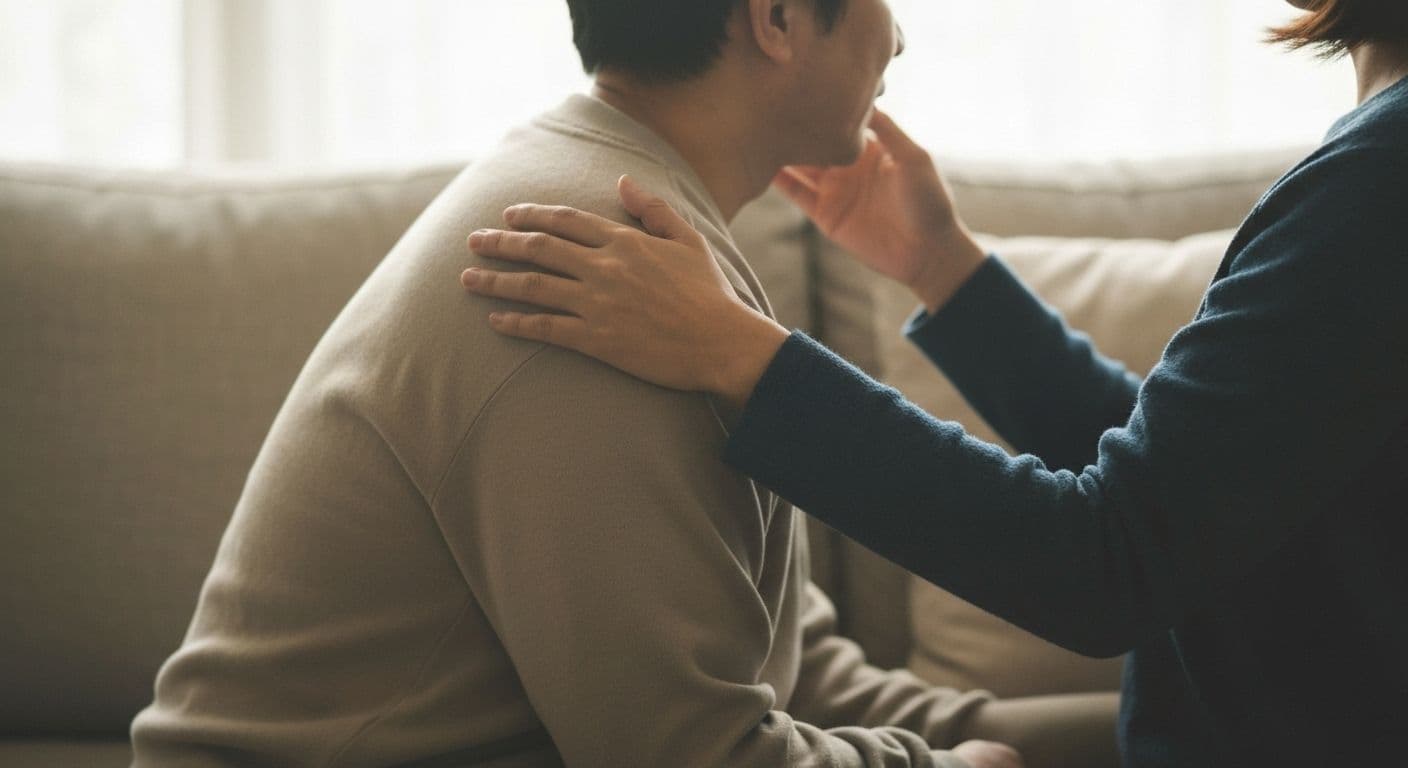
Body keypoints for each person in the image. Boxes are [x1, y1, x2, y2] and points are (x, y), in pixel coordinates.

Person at [129, 1, 1124, 767]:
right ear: (775, 16)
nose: (898, 35)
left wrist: (1119, 737)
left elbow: (785, 667)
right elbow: (686, 753)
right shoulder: (585, 273)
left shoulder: (640, 239)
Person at [456, 0, 1408, 765]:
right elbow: (1195, 490)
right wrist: (942, 267)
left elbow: (1111, 558)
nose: (902, 35)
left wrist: (742, 357)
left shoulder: (1377, 185)